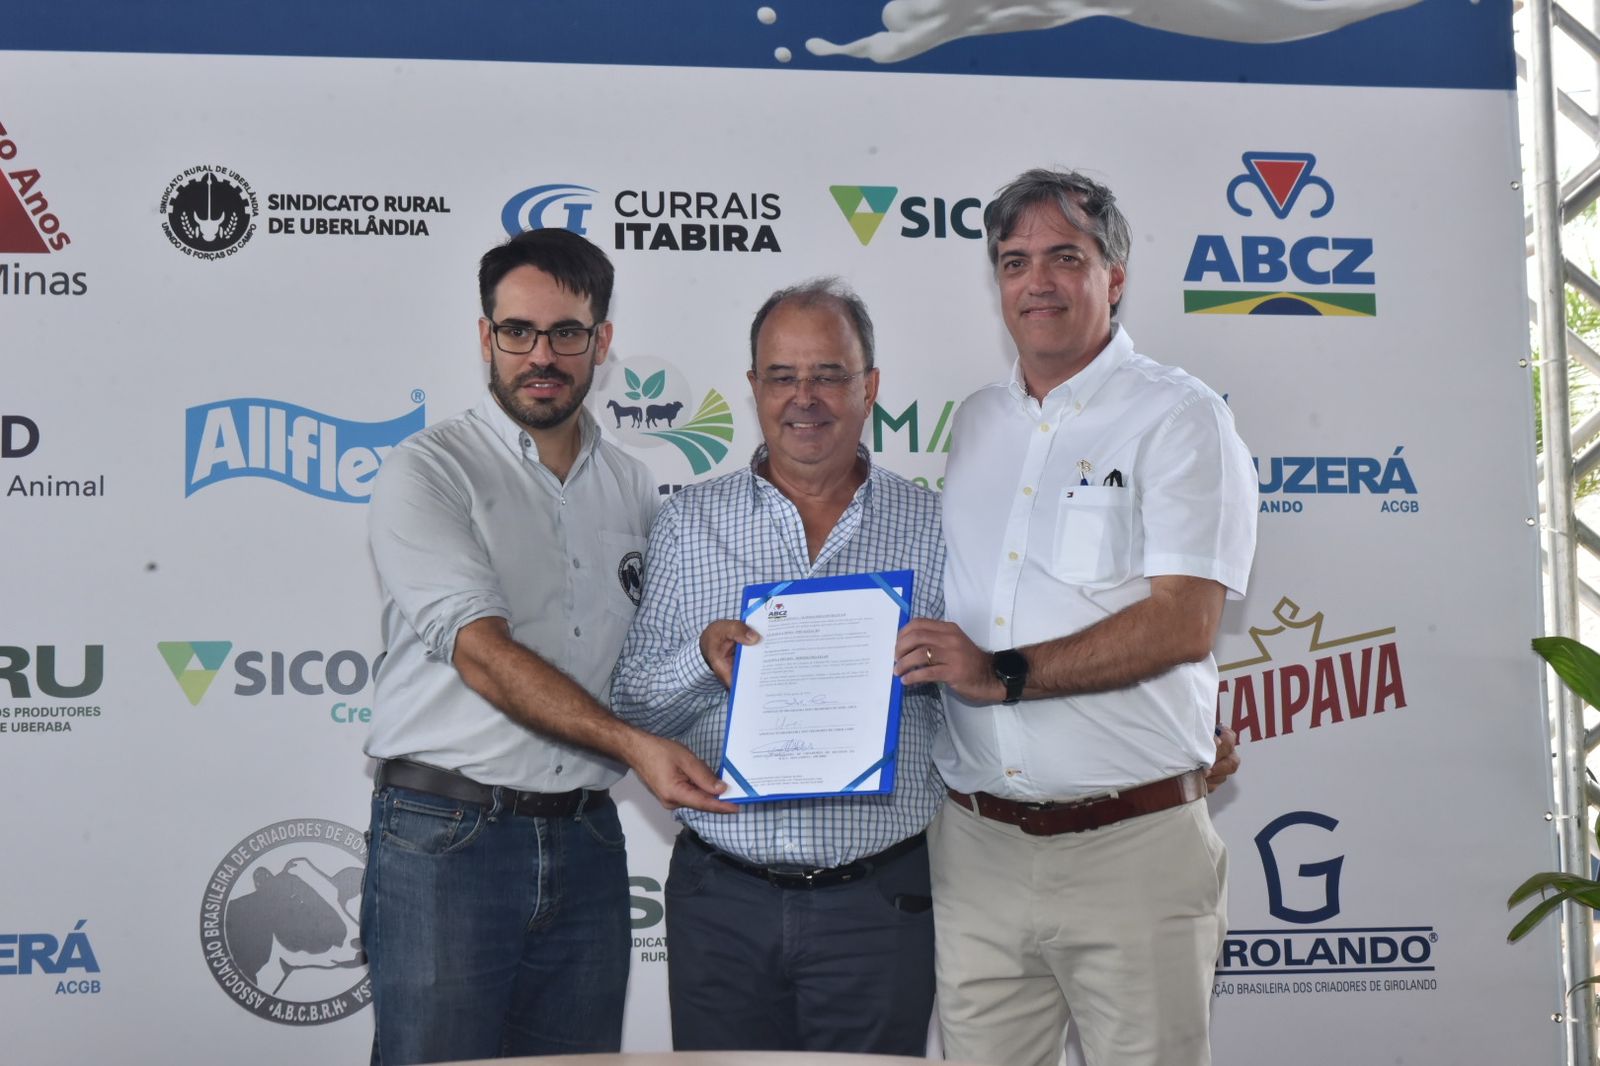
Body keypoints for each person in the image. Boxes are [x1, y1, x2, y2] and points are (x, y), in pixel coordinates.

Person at [893, 167, 1258, 1066]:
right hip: (977, 849)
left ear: (1114, 276)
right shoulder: (977, 423)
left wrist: (1003, 674)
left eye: (1066, 257)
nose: (1038, 282)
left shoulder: (1180, 416)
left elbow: (1182, 622)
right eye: (1015, 262)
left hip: (1132, 849)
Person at [360, 228, 733, 1066]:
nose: (541, 355)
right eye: (517, 331)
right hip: (447, 839)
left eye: (566, 332)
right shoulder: (430, 469)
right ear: (484, 337)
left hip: (588, 840)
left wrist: (711, 650)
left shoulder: (634, 485)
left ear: (602, 341)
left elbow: (645, 666)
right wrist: (633, 746)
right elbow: (482, 653)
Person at [609, 278, 946, 1055]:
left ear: (870, 387)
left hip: (878, 904)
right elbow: (632, 707)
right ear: (754, 387)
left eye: (829, 374)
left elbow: (979, 700)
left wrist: (945, 669)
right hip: (723, 902)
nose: (805, 398)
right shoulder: (689, 522)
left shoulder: (934, 523)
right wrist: (702, 659)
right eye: (783, 376)